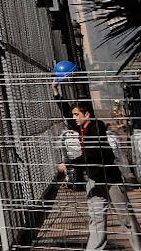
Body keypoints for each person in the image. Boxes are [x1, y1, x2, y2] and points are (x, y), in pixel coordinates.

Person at [59, 100, 141, 251]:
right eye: (73, 115)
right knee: (96, 221)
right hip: (94, 181)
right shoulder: (80, 127)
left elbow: (91, 154)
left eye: (77, 114)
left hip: (111, 181)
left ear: (87, 115)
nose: (74, 118)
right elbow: (68, 116)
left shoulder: (97, 127)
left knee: (126, 218)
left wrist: (69, 163)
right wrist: (56, 94)